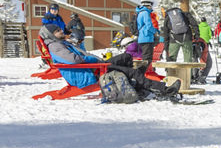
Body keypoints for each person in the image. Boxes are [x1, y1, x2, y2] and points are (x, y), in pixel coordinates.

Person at [39, 24, 179, 98]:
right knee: (132, 72)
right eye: (58, 31)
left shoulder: (61, 43)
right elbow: (74, 60)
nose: (61, 32)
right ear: (51, 35)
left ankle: (137, 86)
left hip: (94, 67)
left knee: (126, 57)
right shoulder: (56, 46)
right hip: (92, 72)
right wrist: (92, 59)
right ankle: (164, 90)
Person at [136, 0, 158, 68]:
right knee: (147, 58)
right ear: (149, 4)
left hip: (142, 37)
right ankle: (146, 73)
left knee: (145, 56)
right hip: (147, 37)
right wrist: (155, 31)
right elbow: (149, 25)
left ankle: (145, 72)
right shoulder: (145, 13)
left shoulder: (140, 12)